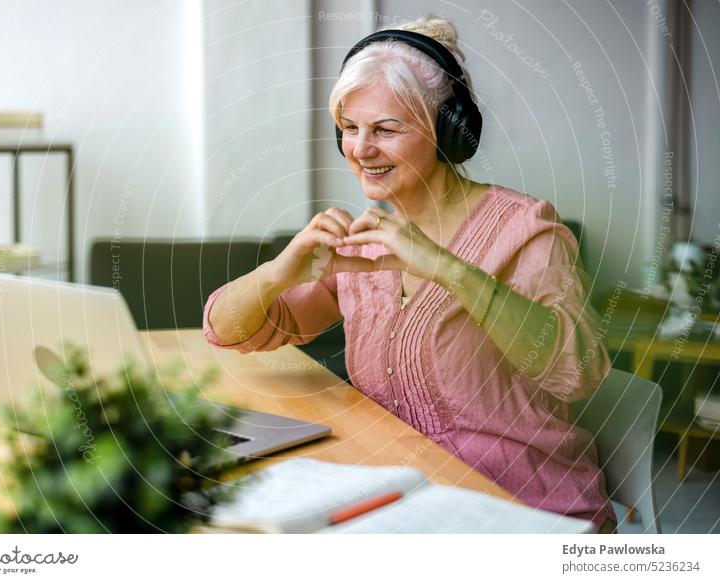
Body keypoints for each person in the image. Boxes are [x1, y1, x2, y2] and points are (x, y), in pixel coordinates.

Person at [203, 16, 616, 532]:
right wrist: (276, 274)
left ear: (447, 130)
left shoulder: (527, 230)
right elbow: (229, 331)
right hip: (403, 500)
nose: (360, 149)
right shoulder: (367, 240)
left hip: (522, 509)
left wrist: (449, 270)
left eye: (385, 129)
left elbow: (577, 371)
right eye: (350, 129)